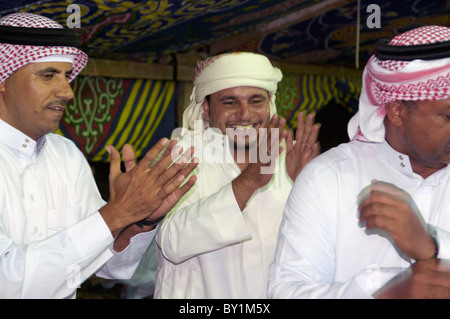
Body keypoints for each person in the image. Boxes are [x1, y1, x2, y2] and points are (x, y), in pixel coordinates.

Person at [0, 12, 197, 299]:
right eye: (48, 75)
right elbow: (8, 283)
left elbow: (107, 265)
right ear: (3, 79)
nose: (67, 92)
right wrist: (117, 214)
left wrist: (139, 221)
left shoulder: (65, 154)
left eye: (67, 76)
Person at [268, 25, 450, 299]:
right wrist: (381, 292)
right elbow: (287, 292)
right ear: (397, 111)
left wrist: (431, 244)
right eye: (448, 116)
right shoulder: (328, 178)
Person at [153, 52, 320, 298]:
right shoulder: (180, 155)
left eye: (256, 101)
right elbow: (171, 243)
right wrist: (249, 181)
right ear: (207, 109)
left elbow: (316, 249)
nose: (244, 114)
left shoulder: (290, 156)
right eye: (230, 102)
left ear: (270, 105)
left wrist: (307, 188)